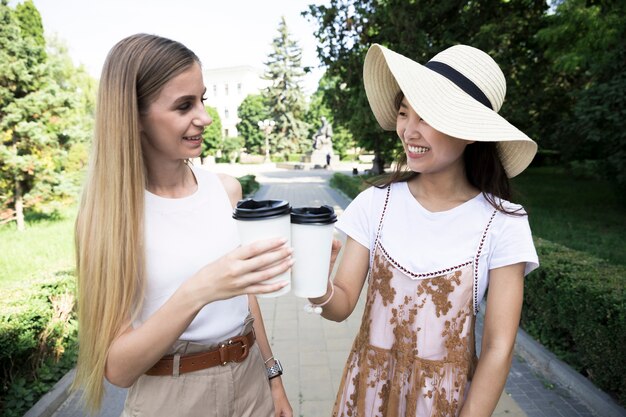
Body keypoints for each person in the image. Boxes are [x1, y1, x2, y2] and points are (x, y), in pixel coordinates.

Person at [307, 43, 539, 417]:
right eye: (404, 113)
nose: (409, 131)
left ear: (471, 132)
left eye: (427, 116)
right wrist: (314, 280)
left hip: (444, 405)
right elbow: (341, 305)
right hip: (365, 395)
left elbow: (499, 346)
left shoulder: (503, 223)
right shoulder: (374, 203)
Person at [72, 34, 293, 417]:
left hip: (250, 380)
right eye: (183, 105)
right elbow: (117, 370)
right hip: (172, 398)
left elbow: (247, 296)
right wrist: (199, 290)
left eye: (203, 98)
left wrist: (273, 378)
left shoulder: (225, 190)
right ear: (135, 117)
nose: (205, 117)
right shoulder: (107, 219)